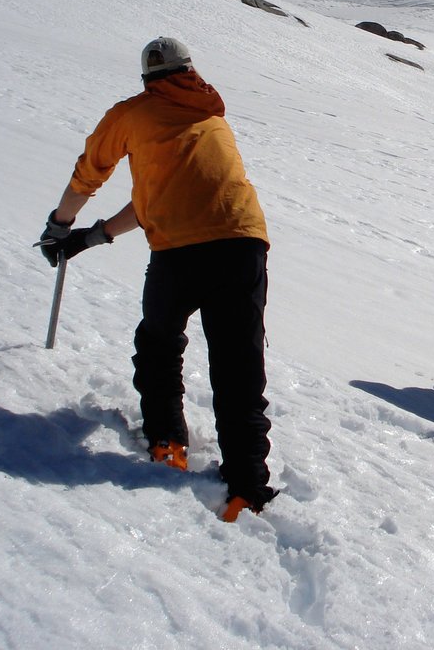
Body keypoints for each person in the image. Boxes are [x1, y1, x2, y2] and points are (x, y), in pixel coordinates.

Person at [37, 37, 276, 523]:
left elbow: (90, 174)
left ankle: (168, 442)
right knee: (238, 366)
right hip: (242, 241)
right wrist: (94, 237)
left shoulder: (132, 113)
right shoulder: (211, 115)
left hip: (180, 252)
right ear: (191, 70)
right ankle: (246, 488)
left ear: (147, 78)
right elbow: (156, 200)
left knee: (160, 343)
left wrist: (61, 227)